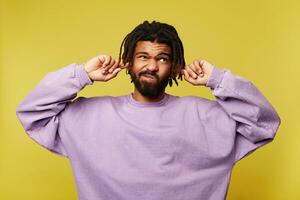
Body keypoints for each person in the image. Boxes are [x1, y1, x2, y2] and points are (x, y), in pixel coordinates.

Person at [16, 21, 281, 200]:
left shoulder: (206, 117)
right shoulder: (89, 116)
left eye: (162, 58)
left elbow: (264, 123)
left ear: (176, 66)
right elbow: (32, 113)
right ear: (129, 63)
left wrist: (218, 79)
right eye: (143, 57)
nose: (152, 67)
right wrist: (82, 74)